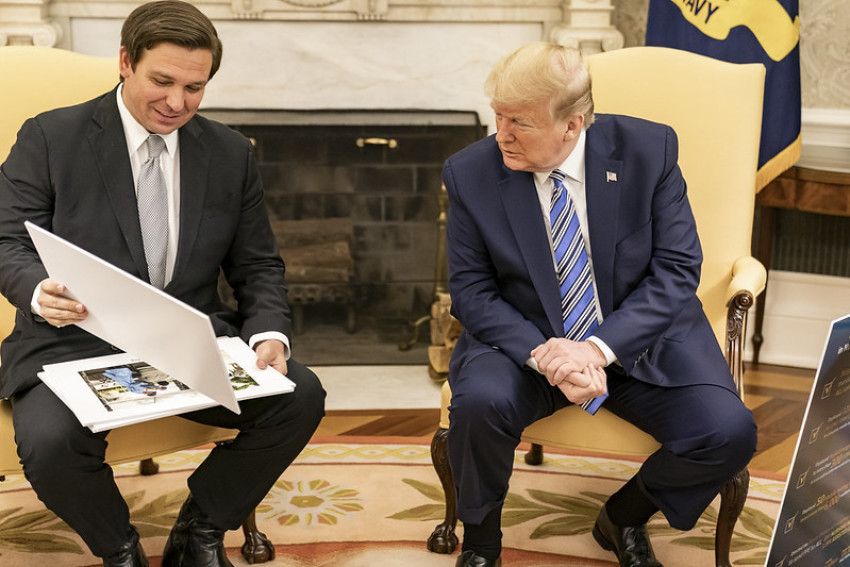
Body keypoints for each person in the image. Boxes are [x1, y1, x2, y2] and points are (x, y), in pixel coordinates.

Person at [0, 2, 326, 566]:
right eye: (163, 81)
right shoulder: (52, 137)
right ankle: (119, 548)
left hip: (188, 341)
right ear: (125, 62)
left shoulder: (229, 153)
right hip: (70, 339)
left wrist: (269, 332)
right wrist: (36, 290)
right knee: (51, 444)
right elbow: (6, 240)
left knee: (300, 399)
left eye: (195, 87)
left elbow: (258, 266)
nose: (177, 103)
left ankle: (199, 530)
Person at [443, 41, 757, 567]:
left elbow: (676, 270)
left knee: (728, 432)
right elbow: (472, 292)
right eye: (497, 116)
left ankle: (625, 515)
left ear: (574, 124)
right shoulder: (471, 172)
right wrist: (547, 354)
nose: (501, 134)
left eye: (519, 121)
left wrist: (595, 350)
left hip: (634, 341)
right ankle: (481, 544)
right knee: (477, 404)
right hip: (526, 341)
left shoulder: (648, 151)